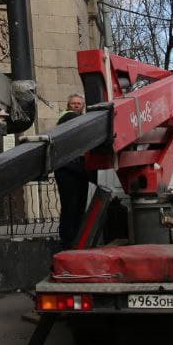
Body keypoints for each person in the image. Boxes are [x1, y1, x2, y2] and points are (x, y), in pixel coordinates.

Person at [54, 93, 94, 248]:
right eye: (73, 103)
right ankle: (68, 239)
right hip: (68, 169)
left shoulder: (77, 119)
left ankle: (75, 237)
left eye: (79, 103)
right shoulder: (68, 117)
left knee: (78, 206)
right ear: (68, 105)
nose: (76, 105)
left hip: (77, 169)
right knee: (71, 206)